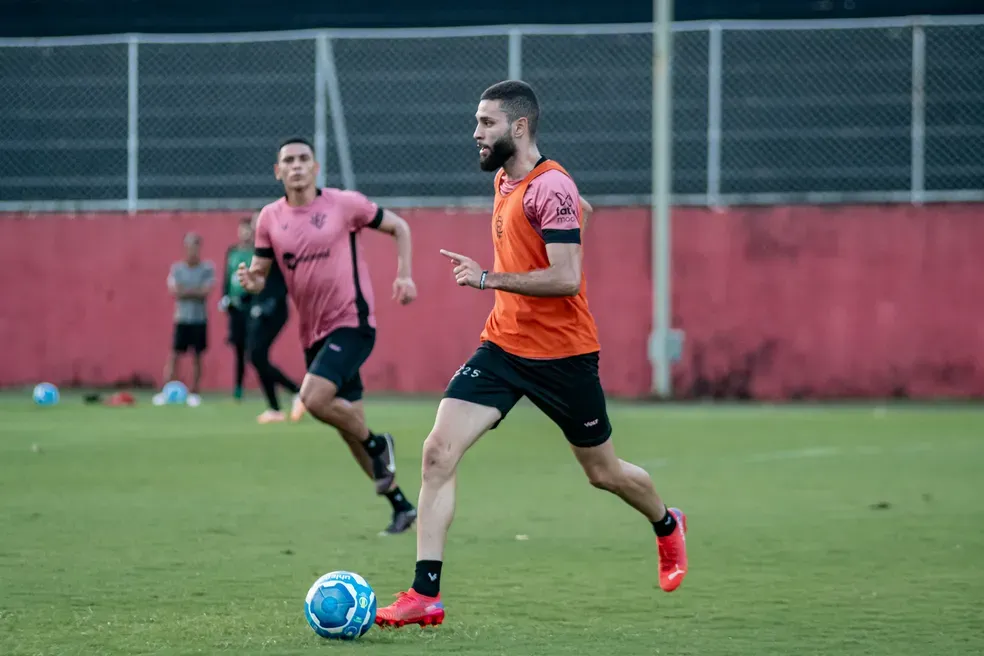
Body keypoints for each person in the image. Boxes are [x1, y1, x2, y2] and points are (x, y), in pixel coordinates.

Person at [374, 80, 688, 629]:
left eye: (486, 123)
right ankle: (426, 595)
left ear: (518, 127)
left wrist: (487, 278)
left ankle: (666, 523)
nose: (476, 133)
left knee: (603, 472)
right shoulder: (505, 178)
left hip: (564, 356)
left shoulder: (552, 186)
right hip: (502, 346)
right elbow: (582, 210)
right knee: (437, 453)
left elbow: (566, 278)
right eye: (477, 122)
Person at [237, 137, 419, 535]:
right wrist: (252, 281)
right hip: (313, 333)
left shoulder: (344, 204)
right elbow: (260, 272)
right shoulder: (269, 218)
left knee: (313, 399)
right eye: (288, 160)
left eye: (304, 159)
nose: (296, 166)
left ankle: (379, 444)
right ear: (278, 171)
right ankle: (402, 507)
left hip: (353, 322)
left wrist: (404, 275)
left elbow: (399, 226)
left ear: (316, 167)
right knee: (350, 426)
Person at [243, 211, 304, 424]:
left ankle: (296, 392)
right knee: (257, 357)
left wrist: (269, 304)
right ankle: (275, 407)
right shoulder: (257, 250)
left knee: (256, 355)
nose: (254, 229)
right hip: (258, 308)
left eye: (257, 223)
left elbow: (283, 280)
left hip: (273, 310)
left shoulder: (277, 248)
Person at [164, 232, 215, 408]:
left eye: (195, 246)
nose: (192, 250)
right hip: (182, 318)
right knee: (175, 354)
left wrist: (187, 291)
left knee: (197, 356)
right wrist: (194, 291)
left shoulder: (207, 268)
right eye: (189, 246)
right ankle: (167, 389)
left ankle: (194, 392)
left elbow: (205, 291)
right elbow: (175, 290)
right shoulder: (177, 269)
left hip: (199, 319)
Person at [220, 217, 255, 401]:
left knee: (255, 350)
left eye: (247, 230)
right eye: (242, 230)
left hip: (252, 307)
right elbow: (227, 277)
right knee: (238, 349)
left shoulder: (256, 253)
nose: (245, 234)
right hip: (235, 308)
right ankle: (238, 387)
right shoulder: (232, 252)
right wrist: (225, 297)